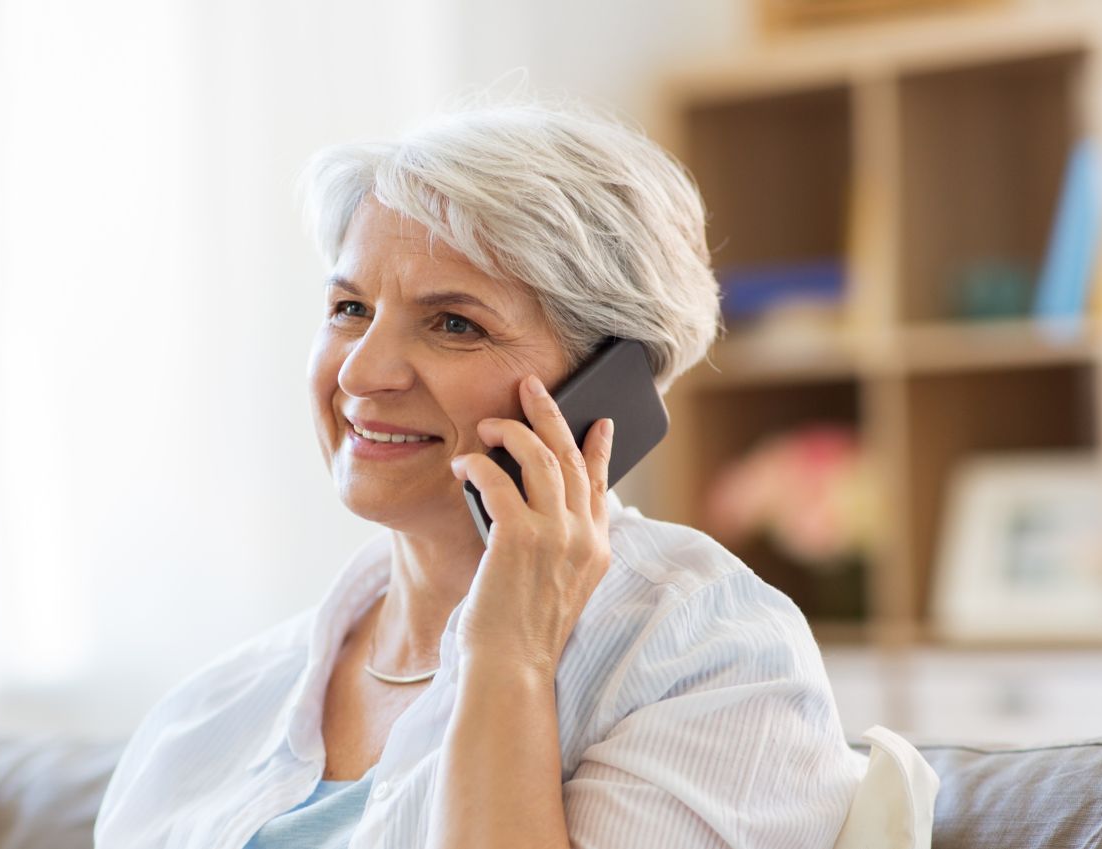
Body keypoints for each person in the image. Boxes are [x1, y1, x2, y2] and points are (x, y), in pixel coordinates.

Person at [95, 101, 867, 848]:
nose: (362, 372)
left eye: (454, 323)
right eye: (348, 307)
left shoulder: (707, 654)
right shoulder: (210, 709)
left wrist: (509, 660)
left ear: (607, 380)